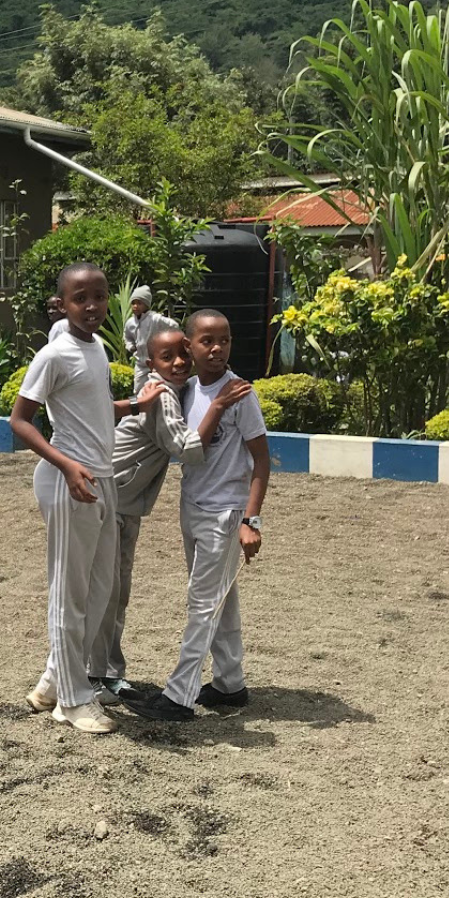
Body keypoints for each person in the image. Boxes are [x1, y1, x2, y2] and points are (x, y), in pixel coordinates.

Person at [8, 263, 163, 734]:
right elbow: (20, 421)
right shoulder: (54, 354)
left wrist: (137, 403)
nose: (93, 306)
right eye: (81, 298)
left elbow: (94, 409)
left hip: (101, 477)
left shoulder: (94, 348)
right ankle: (73, 702)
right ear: (63, 304)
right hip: (67, 480)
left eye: (99, 296)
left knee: (101, 589)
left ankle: (55, 680)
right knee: (69, 593)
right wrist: (66, 465)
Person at [88, 328, 250, 703]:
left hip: (125, 504)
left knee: (117, 589)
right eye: (167, 357)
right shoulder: (163, 395)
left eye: (182, 353)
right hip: (109, 497)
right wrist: (219, 405)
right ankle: (95, 674)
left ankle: (106, 672)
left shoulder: (179, 389)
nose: (178, 362)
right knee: (106, 590)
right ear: (150, 364)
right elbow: (188, 449)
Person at [126, 309, 270, 723]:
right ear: (189, 347)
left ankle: (178, 696)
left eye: (224, 340)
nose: (218, 348)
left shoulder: (240, 393)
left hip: (224, 513)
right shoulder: (188, 390)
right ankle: (229, 684)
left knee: (203, 603)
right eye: (207, 341)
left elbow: (261, 460)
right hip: (192, 507)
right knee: (220, 600)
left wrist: (250, 520)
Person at [122, 286, 177, 388]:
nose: (135, 306)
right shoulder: (130, 323)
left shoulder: (155, 319)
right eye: (133, 303)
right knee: (138, 387)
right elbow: (127, 336)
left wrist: (166, 344)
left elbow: (173, 325)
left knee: (157, 385)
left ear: (147, 305)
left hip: (155, 361)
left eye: (139, 303)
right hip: (140, 363)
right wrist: (130, 346)